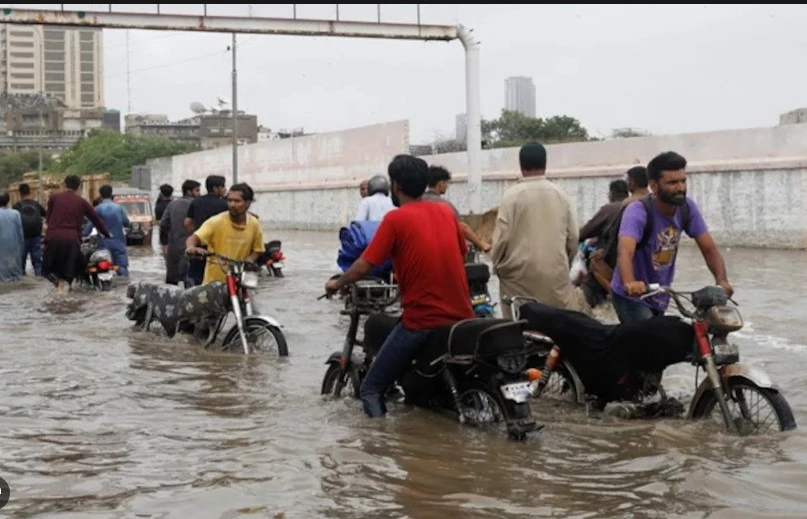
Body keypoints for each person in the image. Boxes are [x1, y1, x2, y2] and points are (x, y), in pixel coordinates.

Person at [324, 154, 474, 418]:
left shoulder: (396, 219)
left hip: (422, 321)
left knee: (371, 388)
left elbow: (365, 265)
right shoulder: (446, 213)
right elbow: (459, 254)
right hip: (463, 316)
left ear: (396, 185)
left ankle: (378, 448)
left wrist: (339, 282)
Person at [612, 151, 733, 324]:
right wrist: (630, 283)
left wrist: (722, 281)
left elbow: (709, 248)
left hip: (660, 293)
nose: (680, 188)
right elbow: (625, 252)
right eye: (672, 182)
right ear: (654, 186)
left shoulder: (687, 208)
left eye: (683, 181)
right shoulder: (637, 211)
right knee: (648, 341)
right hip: (632, 296)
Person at [491, 142, 590, 318]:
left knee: (518, 326)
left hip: (517, 277)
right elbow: (573, 237)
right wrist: (562, 263)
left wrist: (498, 266)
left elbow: (502, 238)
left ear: (521, 166)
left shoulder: (512, 196)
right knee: (560, 325)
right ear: (545, 164)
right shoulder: (561, 194)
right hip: (555, 275)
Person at [186, 183, 265, 285]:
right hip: (214, 285)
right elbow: (194, 237)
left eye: (237, 201)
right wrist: (191, 247)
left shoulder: (254, 223)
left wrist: (249, 260)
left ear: (248, 203)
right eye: (230, 200)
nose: (232, 204)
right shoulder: (216, 221)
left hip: (239, 281)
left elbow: (258, 250)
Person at [43, 175, 110, 293]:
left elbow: (48, 219)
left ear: (64, 185)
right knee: (69, 273)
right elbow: (96, 220)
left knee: (46, 270)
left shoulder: (54, 198)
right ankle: (65, 289)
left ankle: (58, 283)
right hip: (72, 241)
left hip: (53, 238)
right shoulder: (82, 202)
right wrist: (106, 234)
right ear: (79, 186)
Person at [422, 165, 491, 253]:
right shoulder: (444, 205)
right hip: (441, 251)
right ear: (440, 184)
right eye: (446, 183)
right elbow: (462, 227)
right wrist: (481, 244)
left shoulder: (417, 201)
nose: (447, 186)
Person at [184, 175, 228, 286]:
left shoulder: (196, 202)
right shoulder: (225, 204)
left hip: (198, 247)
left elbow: (187, 223)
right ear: (215, 188)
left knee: (195, 279)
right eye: (223, 187)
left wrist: (196, 236)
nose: (225, 189)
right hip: (219, 249)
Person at [160, 179, 200, 285]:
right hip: (193, 246)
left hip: (174, 246)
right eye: (197, 190)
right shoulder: (196, 204)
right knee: (190, 280)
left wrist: (169, 239)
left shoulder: (172, 204)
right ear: (188, 191)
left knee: (172, 281)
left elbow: (163, 224)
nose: (199, 193)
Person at [84, 185, 131, 277]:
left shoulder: (97, 209)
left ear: (100, 195)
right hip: (119, 243)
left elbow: (87, 230)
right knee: (122, 268)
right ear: (111, 194)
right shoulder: (119, 208)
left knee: (100, 268)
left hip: (103, 245)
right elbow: (126, 223)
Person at [13, 182, 46, 276]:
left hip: (22, 237)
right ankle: (39, 276)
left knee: (21, 263)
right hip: (36, 236)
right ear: (30, 192)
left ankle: (22, 279)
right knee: (37, 262)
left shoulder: (17, 206)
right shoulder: (36, 204)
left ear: (20, 194)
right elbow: (47, 214)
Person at [0, 192, 25, 283]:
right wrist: (22, 245)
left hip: (1, 246)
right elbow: (20, 232)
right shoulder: (15, 214)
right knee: (16, 274)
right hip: (14, 245)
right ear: (8, 201)